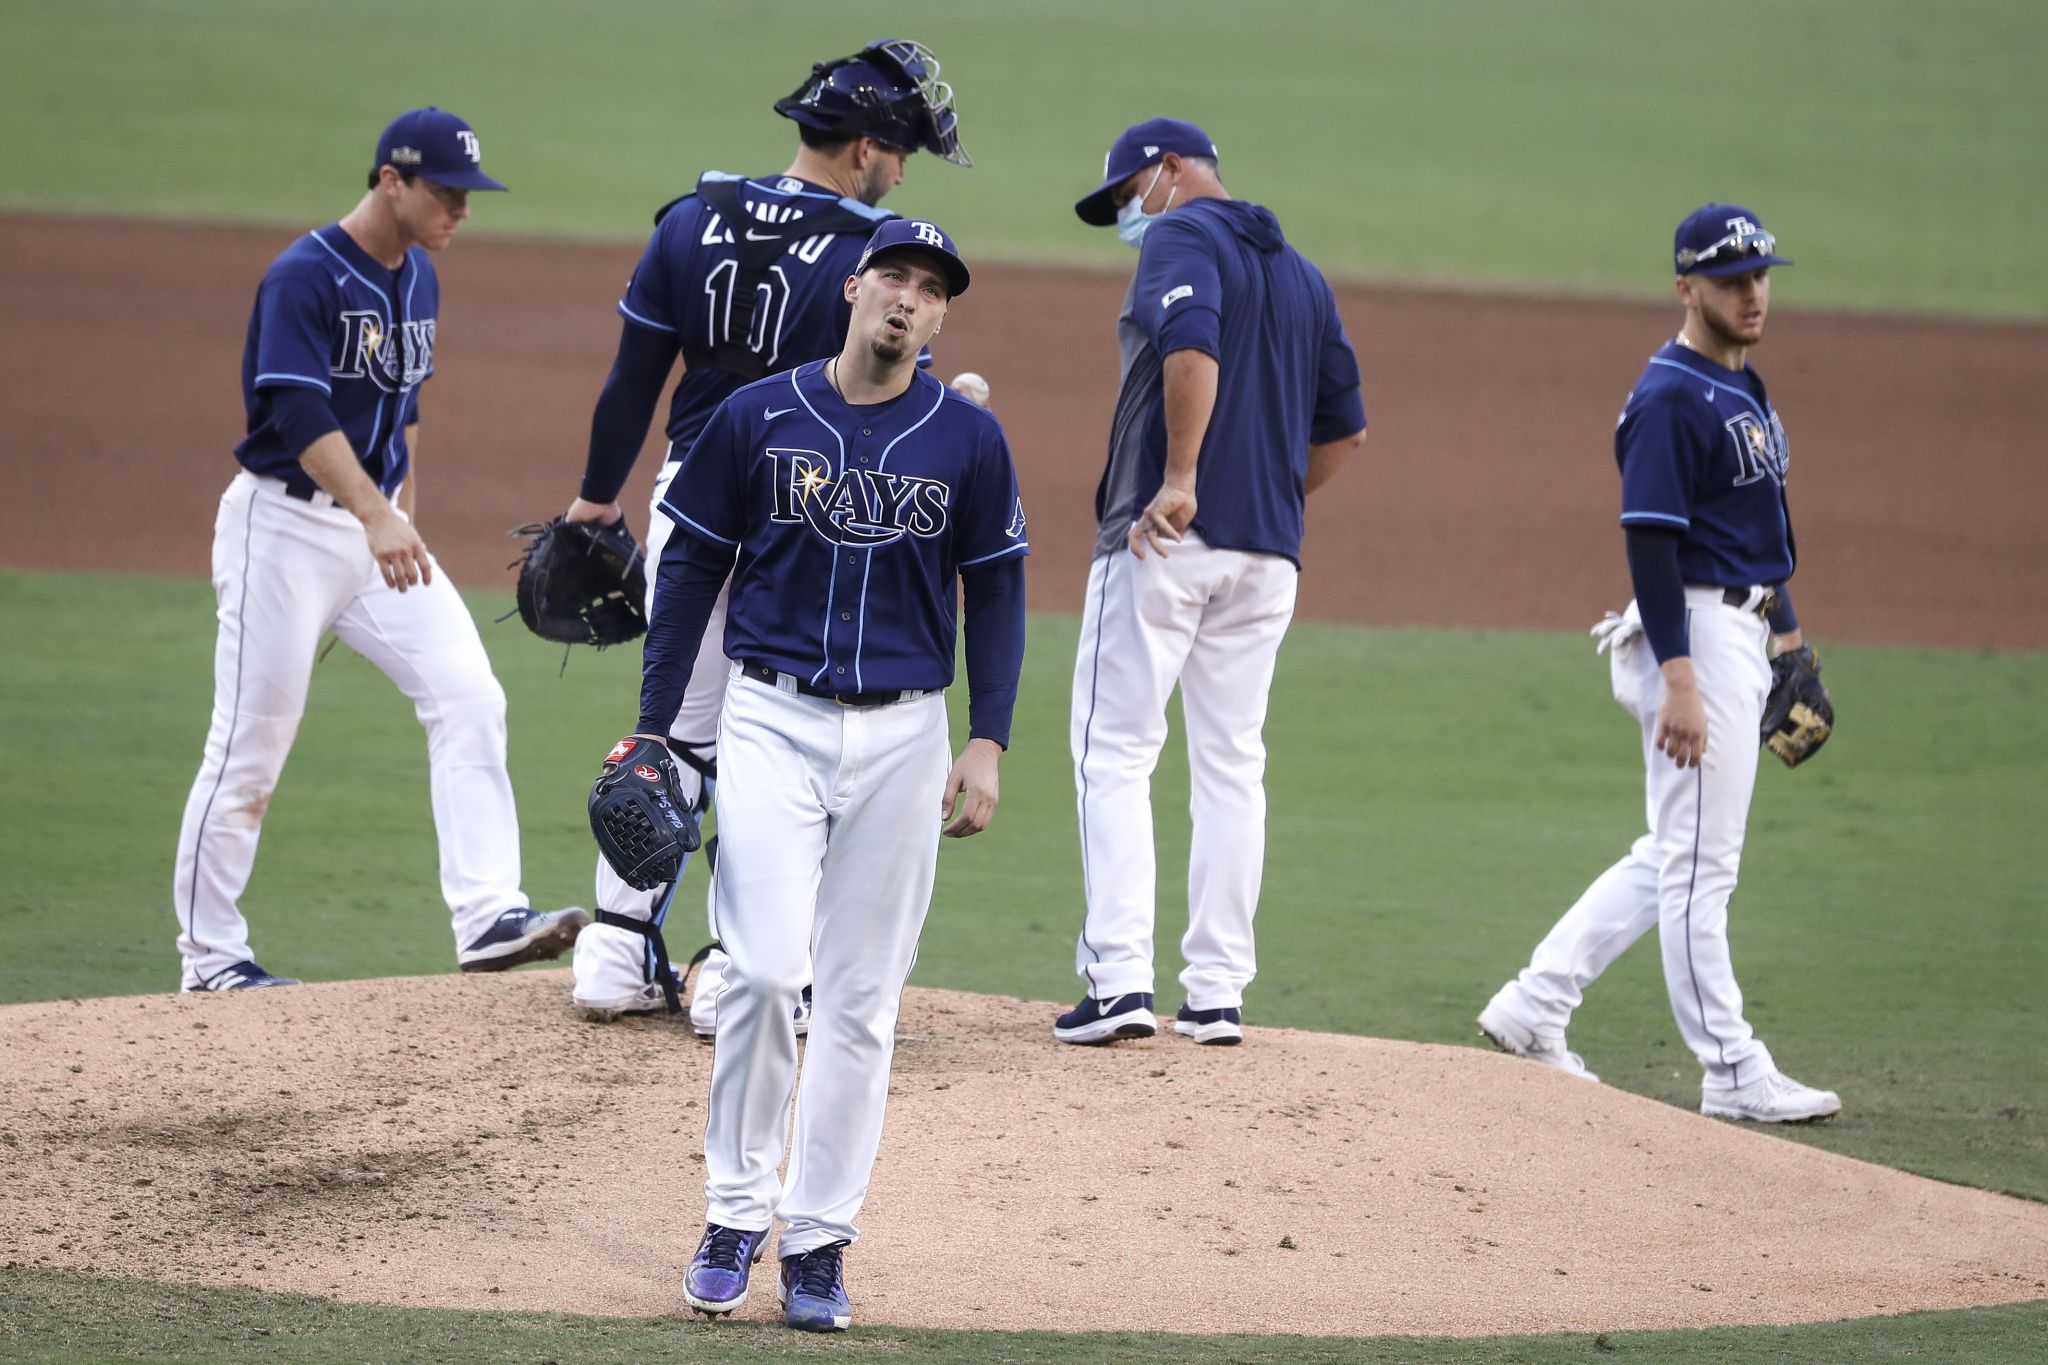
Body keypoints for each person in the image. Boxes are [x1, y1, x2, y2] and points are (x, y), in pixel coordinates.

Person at [629, 219, 1024, 1331]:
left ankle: (817, 1243)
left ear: (941, 317)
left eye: (931, 289)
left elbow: (995, 592)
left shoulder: (968, 440)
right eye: (894, 277)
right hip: (770, 718)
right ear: (854, 288)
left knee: (859, 1001)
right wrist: (659, 728)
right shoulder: (757, 414)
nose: (908, 298)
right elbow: (694, 566)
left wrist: (985, 739)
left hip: (906, 738)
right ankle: (731, 1214)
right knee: (756, 973)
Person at [562, 38, 972, 1031]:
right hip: (799, 509)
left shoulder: (689, 218)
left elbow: (630, 381)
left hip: (682, 498)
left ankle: (613, 955)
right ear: (865, 146)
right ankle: (738, 980)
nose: (903, 167)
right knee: (768, 745)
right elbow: (873, 389)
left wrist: (590, 500)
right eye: (902, 148)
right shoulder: (867, 250)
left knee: (673, 732)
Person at [171, 109, 587, 991]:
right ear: (388, 181)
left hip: (376, 533)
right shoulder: (305, 276)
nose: (461, 211)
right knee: (250, 747)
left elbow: (404, 410)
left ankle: (488, 917)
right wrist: (374, 514)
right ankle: (210, 960)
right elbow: (296, 410)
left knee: (470, 695)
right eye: (446, 192)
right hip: (281, 531)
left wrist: (402, 513)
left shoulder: (421, 276)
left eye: (468, 195)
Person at [1477, 204, 1841, 1125]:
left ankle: (1534, 1004)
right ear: (1687, 288)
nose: (1752, 293)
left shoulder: (1742, 384)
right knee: (1699, 871)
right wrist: (1682, 678)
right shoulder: (1670, 396)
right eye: (1730, 280)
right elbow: (1651, 542)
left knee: (1671, 857)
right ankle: (1730, 1068)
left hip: (1741, 629)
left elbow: (1757, 529)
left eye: (1760, 275)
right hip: (1694, 636)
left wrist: (1789, 636)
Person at [1056, 119, 1368, 1047]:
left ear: (1170, 171)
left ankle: (1116, 982)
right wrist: (1265, 493)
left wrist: (1185, 478)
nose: (1128, 216)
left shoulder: (1182, 235)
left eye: (1126, 196)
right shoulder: (1304, 273)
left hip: (1163, 542)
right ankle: (1217, 993)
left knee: (1113, 750)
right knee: (1233, 765)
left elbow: (1191, 342)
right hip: (1266, 555)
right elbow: (1345, 430)